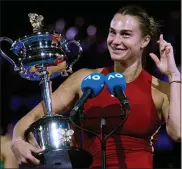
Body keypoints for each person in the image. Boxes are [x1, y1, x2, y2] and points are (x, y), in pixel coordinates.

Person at [10, 5, 180, 168]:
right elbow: (31, 117)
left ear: (145, 40)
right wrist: (17, 141)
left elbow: (177, 133)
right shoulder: (85, 79)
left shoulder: (160, 89)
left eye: (126, 34)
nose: (115, 41)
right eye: (112, 32)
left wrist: (174, 76)